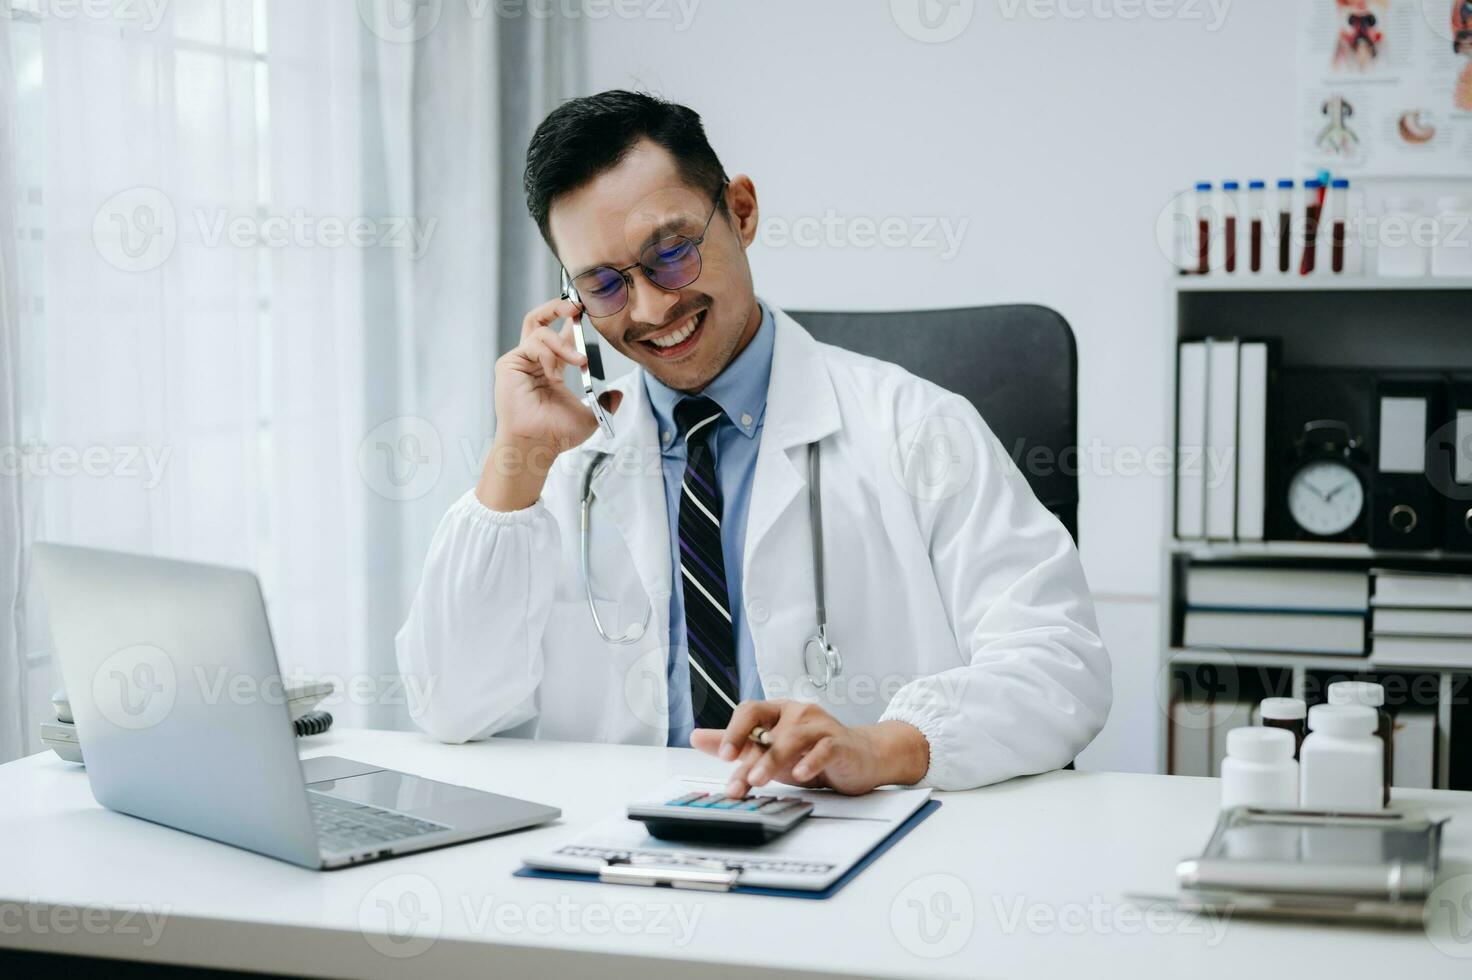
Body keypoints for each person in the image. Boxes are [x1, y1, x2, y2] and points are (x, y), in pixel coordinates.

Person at [395, 90, 1111, 794]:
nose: (653, 307)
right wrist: (515, 459)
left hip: (867, 857)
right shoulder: (557, 460)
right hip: (619, 868)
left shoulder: (919, 427)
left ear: (741, 211)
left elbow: (1059, 665)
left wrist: (881, 748)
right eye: (606, 286)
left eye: (671, 252)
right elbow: (450, 707)